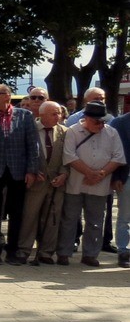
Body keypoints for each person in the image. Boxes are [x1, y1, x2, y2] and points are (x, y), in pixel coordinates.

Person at [57, 102, 125, 266]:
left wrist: (99, 175)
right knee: (69, 219)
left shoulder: (112, 132)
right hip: (75, 183)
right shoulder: (73, 131)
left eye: (103, 121)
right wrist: (89, 173)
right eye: (97, 122)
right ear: (87, 118)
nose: (101, 125)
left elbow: (118, 157)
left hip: (100, 184)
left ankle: (90, 255)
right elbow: (69, 155)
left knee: (95, 221)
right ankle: (64, 253)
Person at [0, 84, 41, 265]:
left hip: (18, 171)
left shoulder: (25, 116)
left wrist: (31, 170)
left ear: (6, 96)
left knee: (17, 213)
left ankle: (12, 250)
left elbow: (32, 145)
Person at [19, 100, 68, 265]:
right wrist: (30, 169)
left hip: (56, 182)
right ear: (42, 115)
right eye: (54, 114)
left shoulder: (65, 132)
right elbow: (22, 152)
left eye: (59, 113)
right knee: (29, 217)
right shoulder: (29, 129)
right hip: (35, 182)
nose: (58, 116)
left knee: (53, 218)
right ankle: (24, 250)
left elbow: (68, 157)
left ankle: (46, 252)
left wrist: (64, 173)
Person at [110, 109, 130, 268]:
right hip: (126, 178)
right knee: (124, 217)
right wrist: (116, 177)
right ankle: (123, 251)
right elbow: (113, 153)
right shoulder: (119, 123)